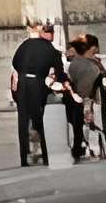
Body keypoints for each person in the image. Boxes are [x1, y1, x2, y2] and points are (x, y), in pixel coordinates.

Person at [10, 21, 66, 168]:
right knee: (39, 120)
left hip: (22, 83)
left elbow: (15, 62)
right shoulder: (50, 48)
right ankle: (46, 155)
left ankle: (24, 158)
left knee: (23, 120)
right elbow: (59, 72)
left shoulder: (25, 45)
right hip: (38, 83)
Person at [64, 36, 106, 160]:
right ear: (93, 48)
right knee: (92, 125)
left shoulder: (74, 63)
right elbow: (102, 81)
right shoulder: (93, 66)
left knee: (77, 126)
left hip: (74, 98)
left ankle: (79, 148)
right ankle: (98, 148)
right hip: (89, 98)